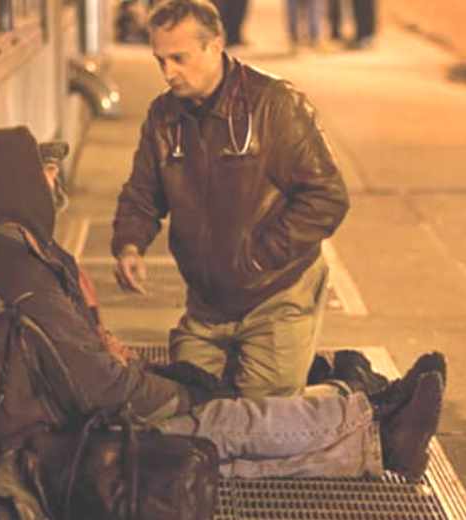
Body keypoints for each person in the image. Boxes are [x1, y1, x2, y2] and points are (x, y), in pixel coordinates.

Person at [0, 126, 444, 494]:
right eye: (42, 172)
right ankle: (367, 415)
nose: (52, 182)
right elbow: (103, 389)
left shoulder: (19, 258)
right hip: (55, 455)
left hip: (60, 437)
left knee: (224, 441)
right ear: (11, 186)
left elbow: (90, 371)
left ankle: (374, 427)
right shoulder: (20, 277)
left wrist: (167, 382)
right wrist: (183, 391)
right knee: (224, 423)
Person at [112, 0, 350, 399]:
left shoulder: (274, 104)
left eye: (178, 58)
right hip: (207, 305)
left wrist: (259, 258)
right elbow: (142, 193)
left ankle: (349, 393)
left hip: (276, 293)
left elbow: (327, 196)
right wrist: (129, 244)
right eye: (160, 61)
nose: (168, 73)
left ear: (215, 44)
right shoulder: (163, 117)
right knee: (184, 406)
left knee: (260, 418)